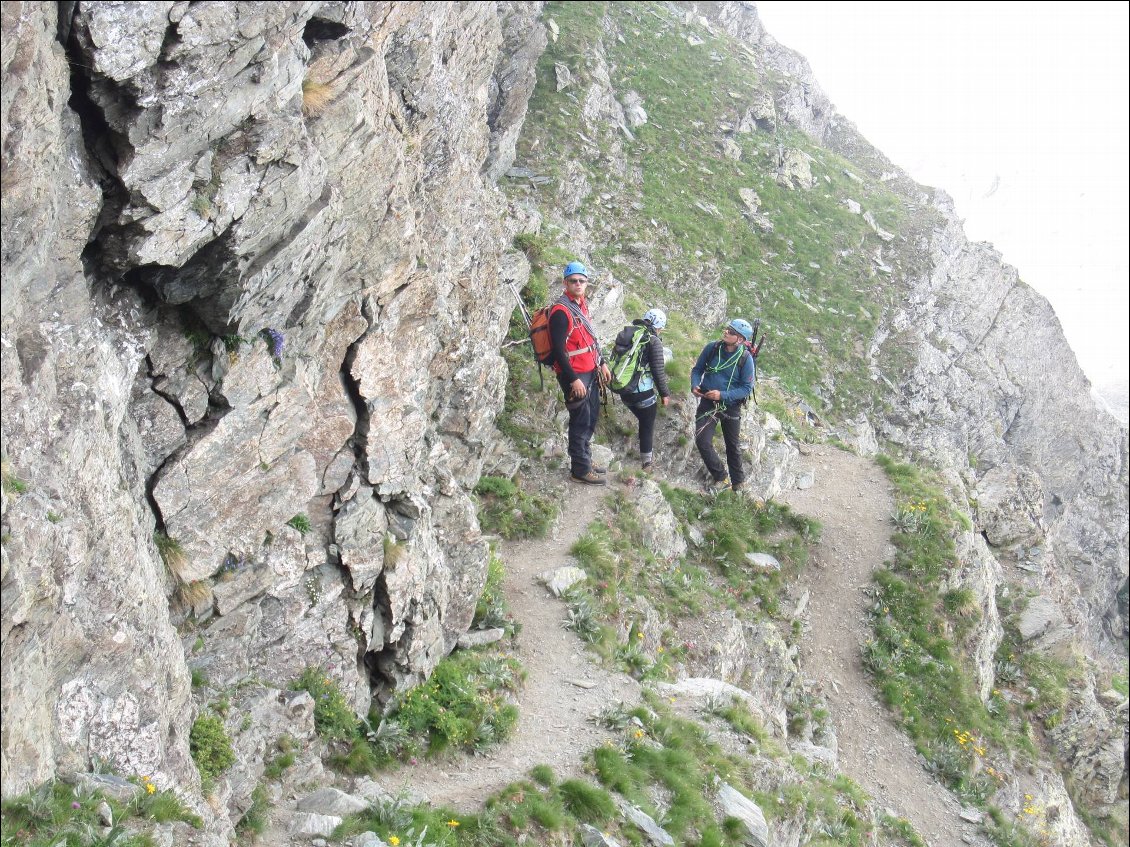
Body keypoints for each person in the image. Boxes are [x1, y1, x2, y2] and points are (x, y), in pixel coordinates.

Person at [549, 261, 612, 485]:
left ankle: (584, 458)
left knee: (591, 416)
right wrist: (573, 379)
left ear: (587, 284)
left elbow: (589, 338)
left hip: (590, 370)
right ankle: (580, 469)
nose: (578, 284)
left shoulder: (581, 304)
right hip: (574, 374)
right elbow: (558, 350)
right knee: (580, 421)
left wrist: (602, 362)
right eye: (573, 281)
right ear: (566, 283)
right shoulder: (561, 311)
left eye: (581, 281)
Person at [690, 318, 755, 493]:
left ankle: (738, 484)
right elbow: (697, 369)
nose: (726, 332)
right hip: (708, 402)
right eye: (727, 329)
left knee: (732, 445)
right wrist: (695, 384)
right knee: (702, 441)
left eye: (731, 332)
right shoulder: (712, 348)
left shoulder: (745, 359)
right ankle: (721, 477)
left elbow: (747, 388)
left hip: (731, 406)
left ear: (740, 340)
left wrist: (723, 395)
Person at [613, 308, 671, 471]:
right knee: (647, 425)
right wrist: (665, 393)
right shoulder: (653, 341)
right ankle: (647, 464)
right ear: (659, 327)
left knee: (641, 418)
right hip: (643, 392)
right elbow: (658, 370)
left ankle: (631, 448)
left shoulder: (629, 333)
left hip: (624, 389)